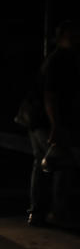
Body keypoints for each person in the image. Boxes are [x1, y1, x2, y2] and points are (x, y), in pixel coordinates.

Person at [33, 20, 80, 227]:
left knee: (43, 165)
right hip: (46, 121)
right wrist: (56, 125)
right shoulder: (60, 60)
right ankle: (56, 211)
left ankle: (38, 212)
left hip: (38, 120)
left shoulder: (56, 59)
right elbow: (50, 96)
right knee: (61, 164)